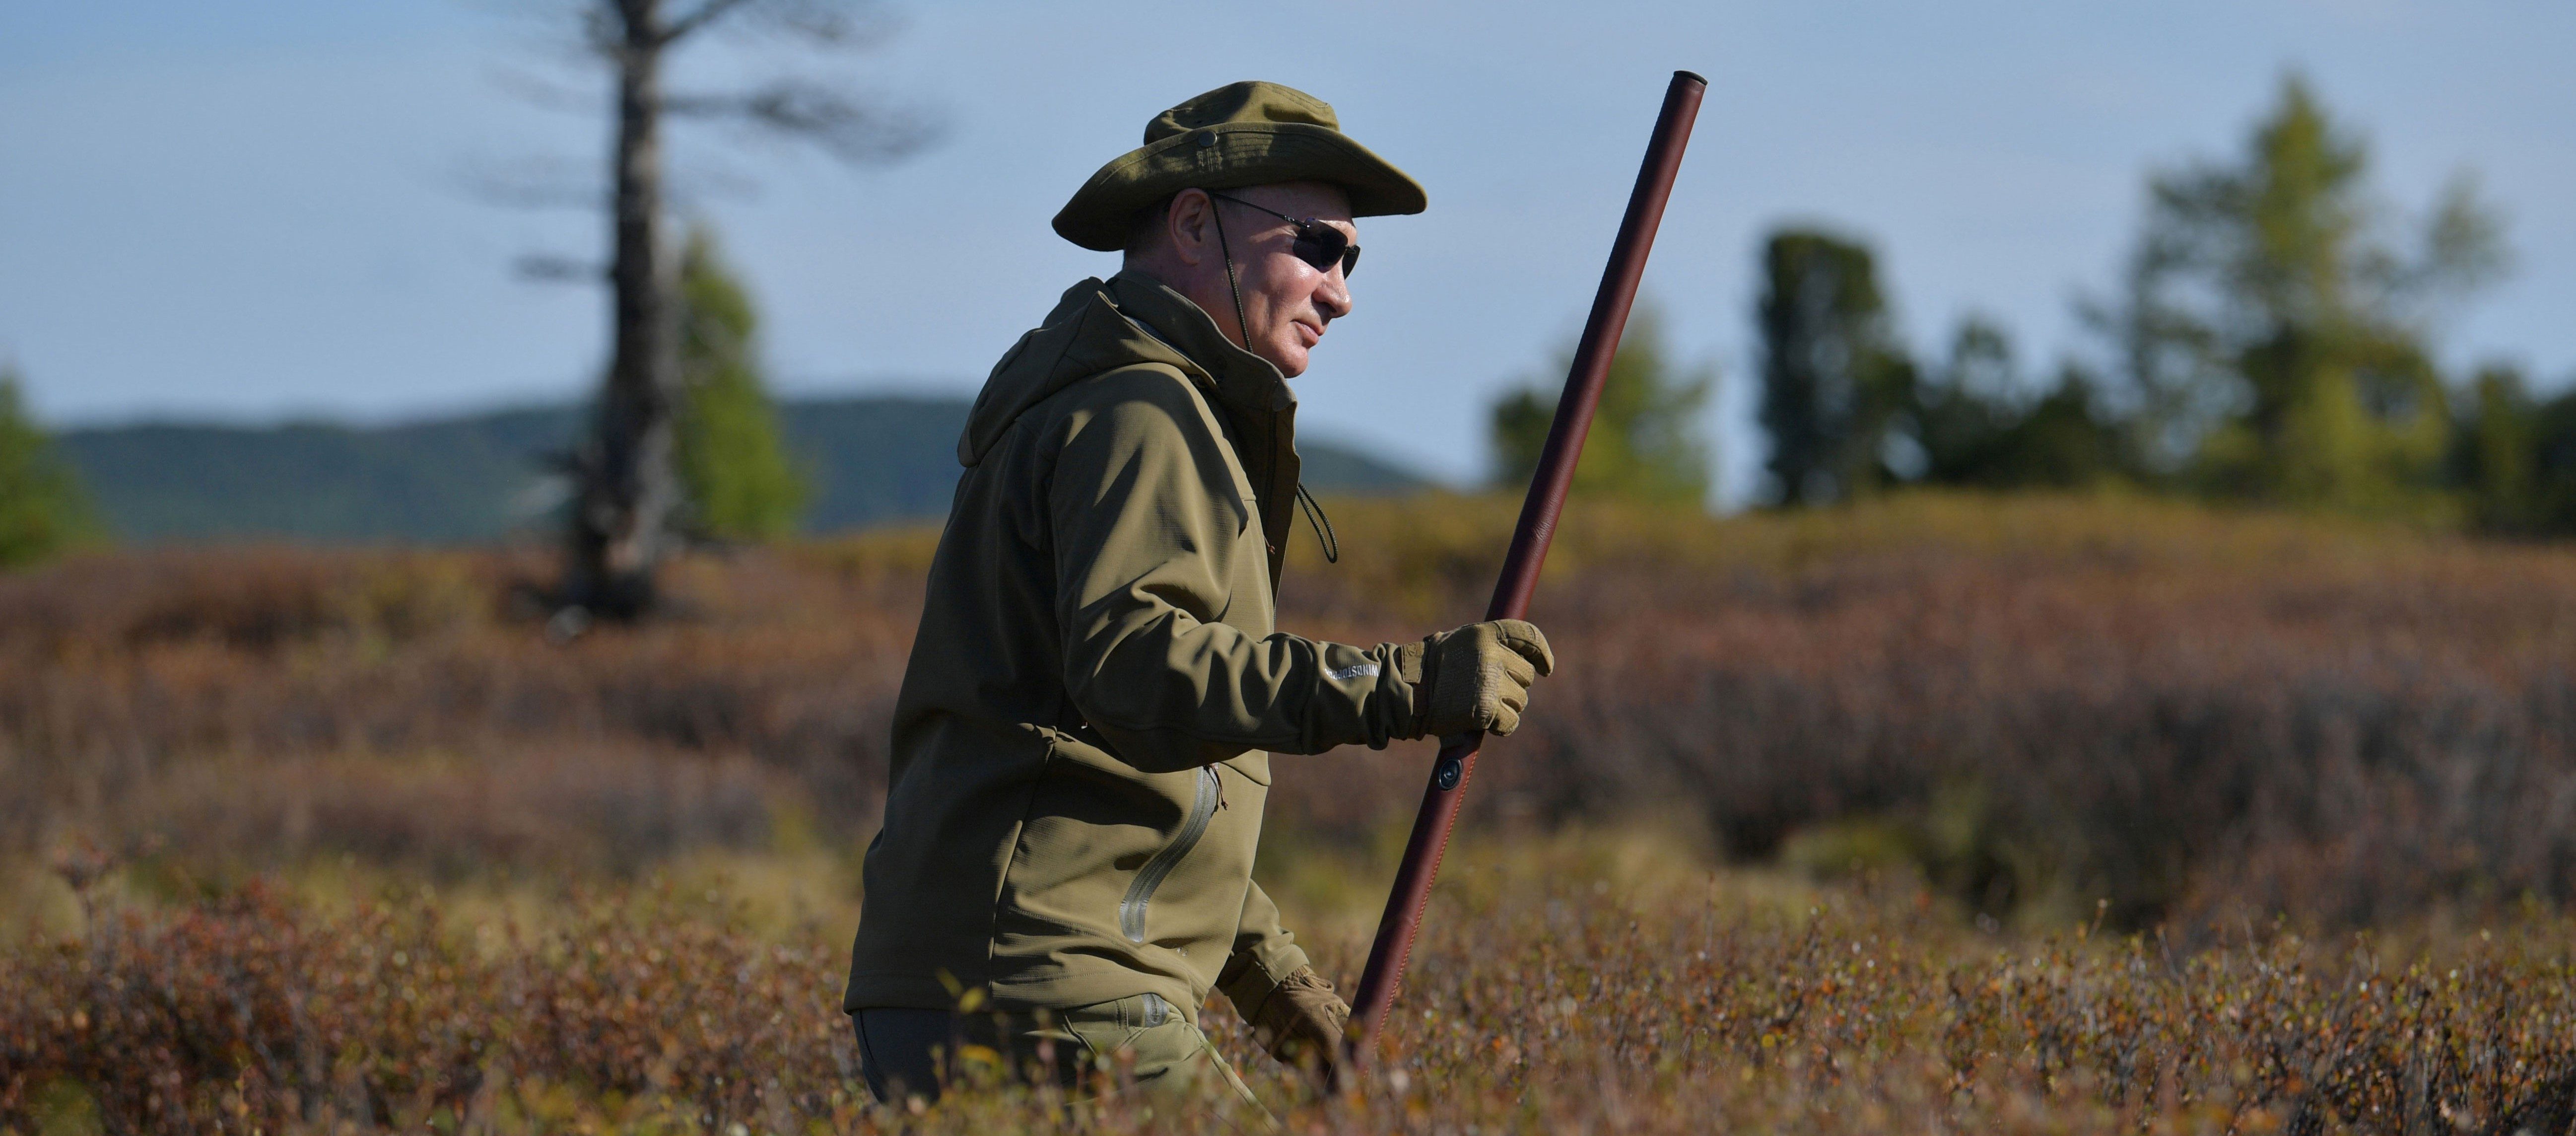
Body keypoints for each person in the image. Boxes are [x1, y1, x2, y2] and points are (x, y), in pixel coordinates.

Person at [841, 80, 1557, 1110]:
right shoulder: (1144, 413)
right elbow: (1137, 668)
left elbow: (1130, 783)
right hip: (1057, 989)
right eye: (1317, 243)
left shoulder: (1121, 405)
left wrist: (1272, 982)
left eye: (1353, 258)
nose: (1341, 289)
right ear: (1192, 222)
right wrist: (1410, 684)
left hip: (991, 979)